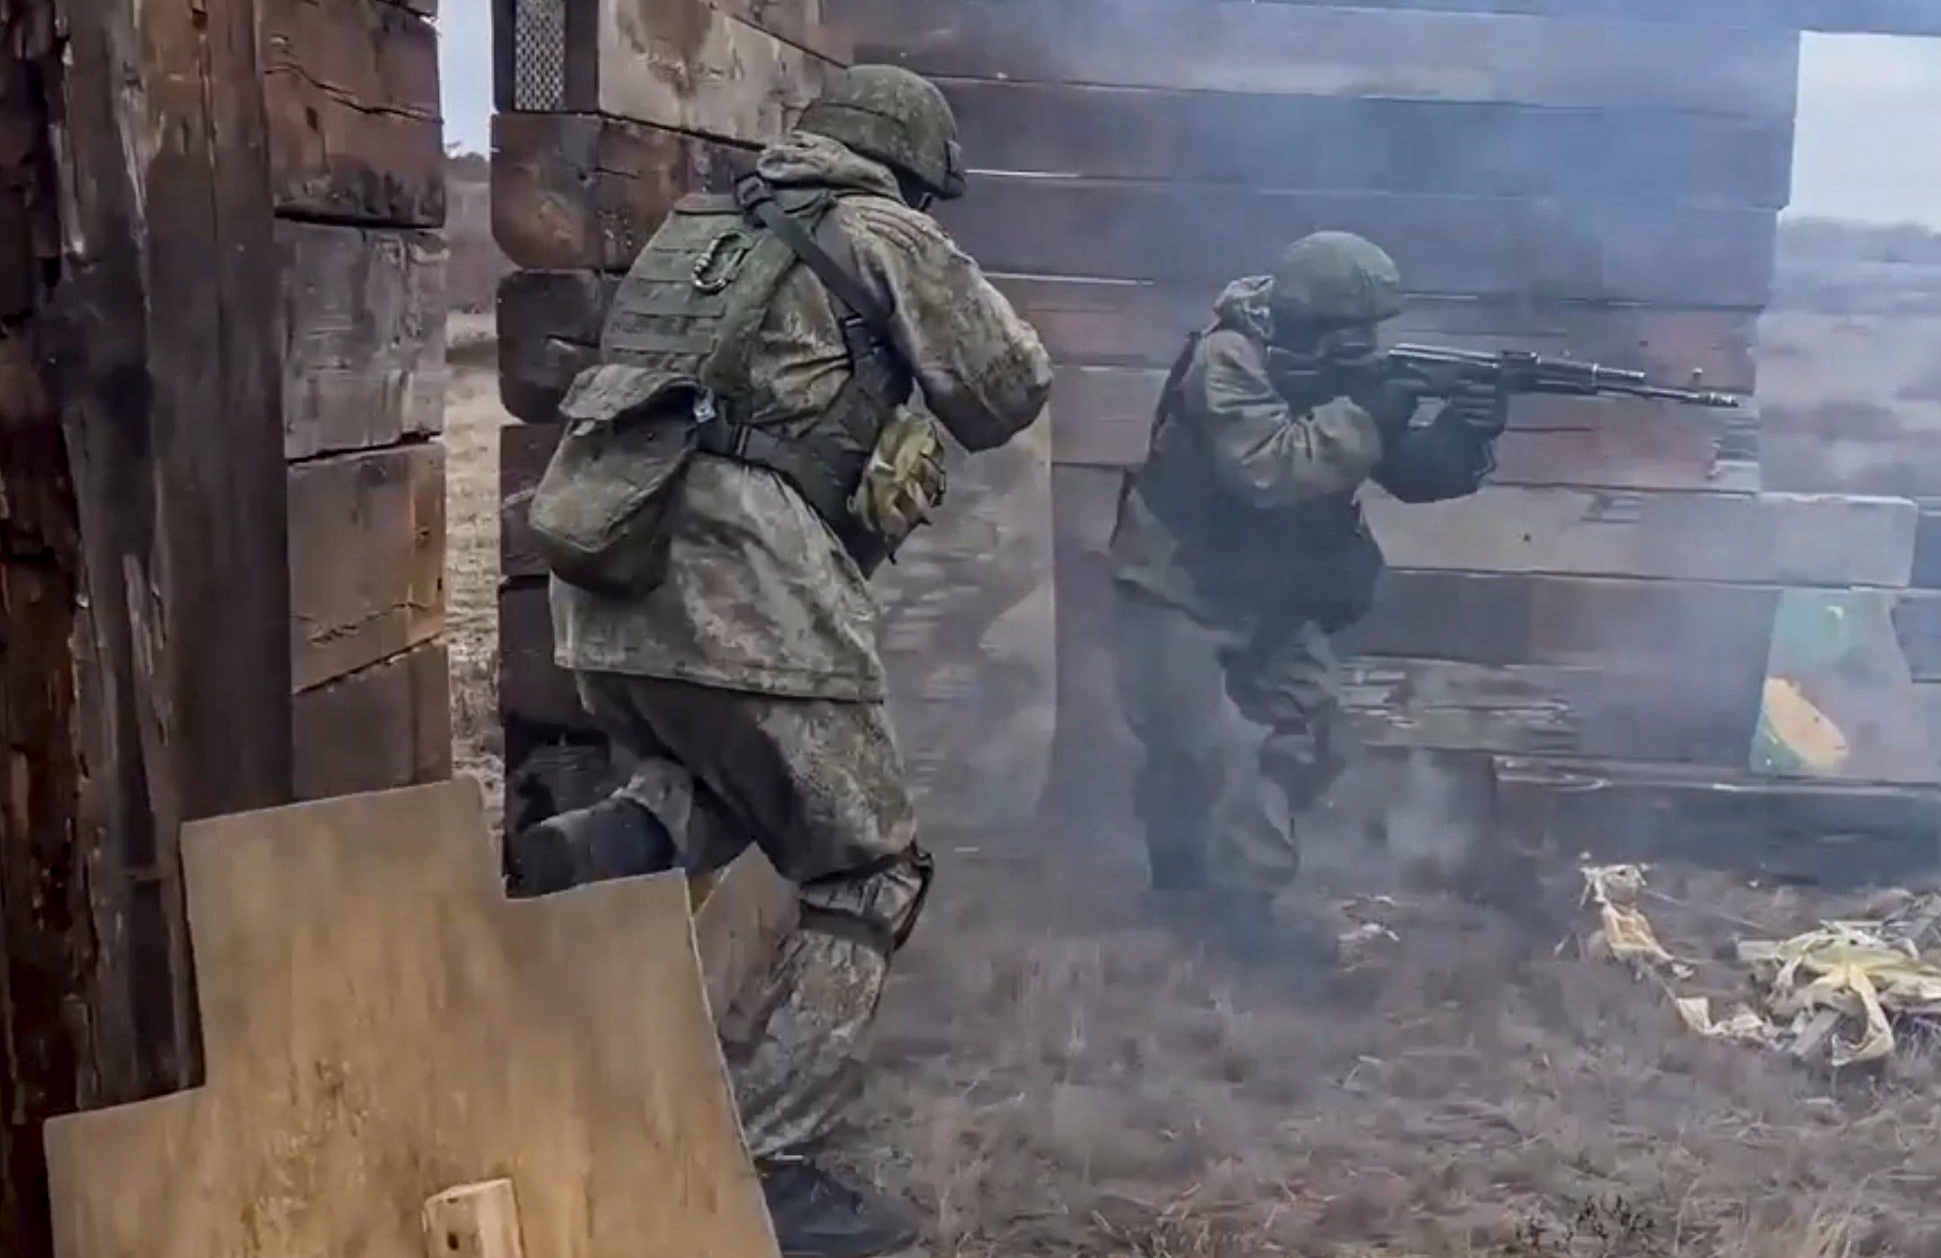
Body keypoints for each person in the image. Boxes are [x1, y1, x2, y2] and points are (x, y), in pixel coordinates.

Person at [510, 66, 1052, 1258]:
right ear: (909, 169)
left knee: (716, 784)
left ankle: (615, 838)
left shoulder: (701, 229)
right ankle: (761, 1163)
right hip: (744, 590)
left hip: (610, 581)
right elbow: (1009, 385)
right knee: (870, 872)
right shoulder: (878, 229)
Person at [1106, 231, 1508, 958]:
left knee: (1313, 732)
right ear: (1307, 320)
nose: (1365, 343)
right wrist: (1370, 413)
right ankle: (1231, 920)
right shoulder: (1225, 359)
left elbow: (1409, 474)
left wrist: (1464, 434)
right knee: (1210, 752)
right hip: (1177, 583)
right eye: (1350, 329)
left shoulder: (1334, 371)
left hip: (1270, 594)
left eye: (1371, 329)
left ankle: (1211, 891)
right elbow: (1268, 468)